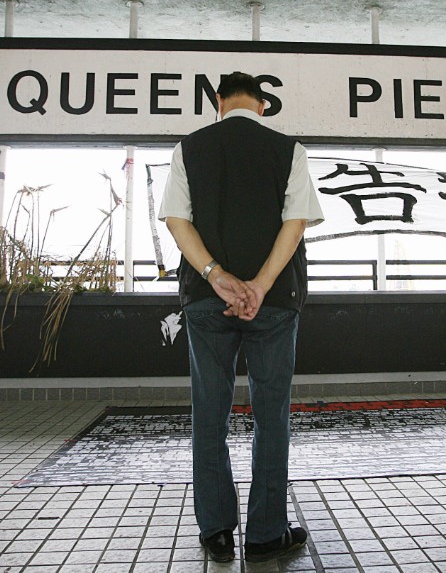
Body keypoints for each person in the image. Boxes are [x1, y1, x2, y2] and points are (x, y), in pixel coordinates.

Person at [158, 71, 324, 563]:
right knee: (271, 417)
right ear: (263, 106)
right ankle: (266, 533)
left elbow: (176, 220)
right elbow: (294, 224)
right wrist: (260, 287)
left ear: (217, 103)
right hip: (273, 304)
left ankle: (216, 531)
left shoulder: (188, 148)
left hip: (208, 303)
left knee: (209, 414)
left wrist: (215, 276)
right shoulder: (289, 150)